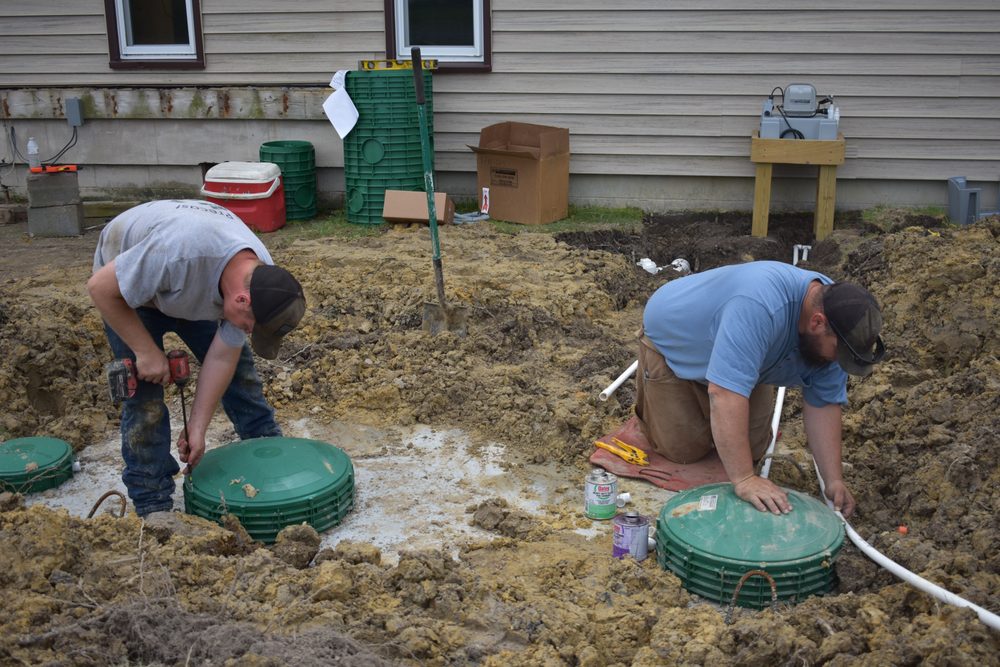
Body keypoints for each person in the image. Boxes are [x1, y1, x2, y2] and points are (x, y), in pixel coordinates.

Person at [88, 199, 306, 517]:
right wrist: (147, 352)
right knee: (144, 400)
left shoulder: (262, 277)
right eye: (248, 326)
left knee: (239, 373)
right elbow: (99, 288)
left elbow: (221, 359)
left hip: (192, 284)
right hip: (127, 289)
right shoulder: (180, 252)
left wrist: (197, 428)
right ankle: (153, 501)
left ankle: (265, 448)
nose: (246, 332)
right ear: (242, 300)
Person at [636, 260, 884, 518]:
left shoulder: (839, 326)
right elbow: (724, 394)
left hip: (750, 358)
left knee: (751, 448)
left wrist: (833, 480)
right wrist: (744, 479)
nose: (838, 361)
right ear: (817, 323)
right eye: (838, 353)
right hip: (674, 346)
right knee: (685, 451)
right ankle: (660, 404)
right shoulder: (760, 305)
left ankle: (718, 396)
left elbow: (825, 403)